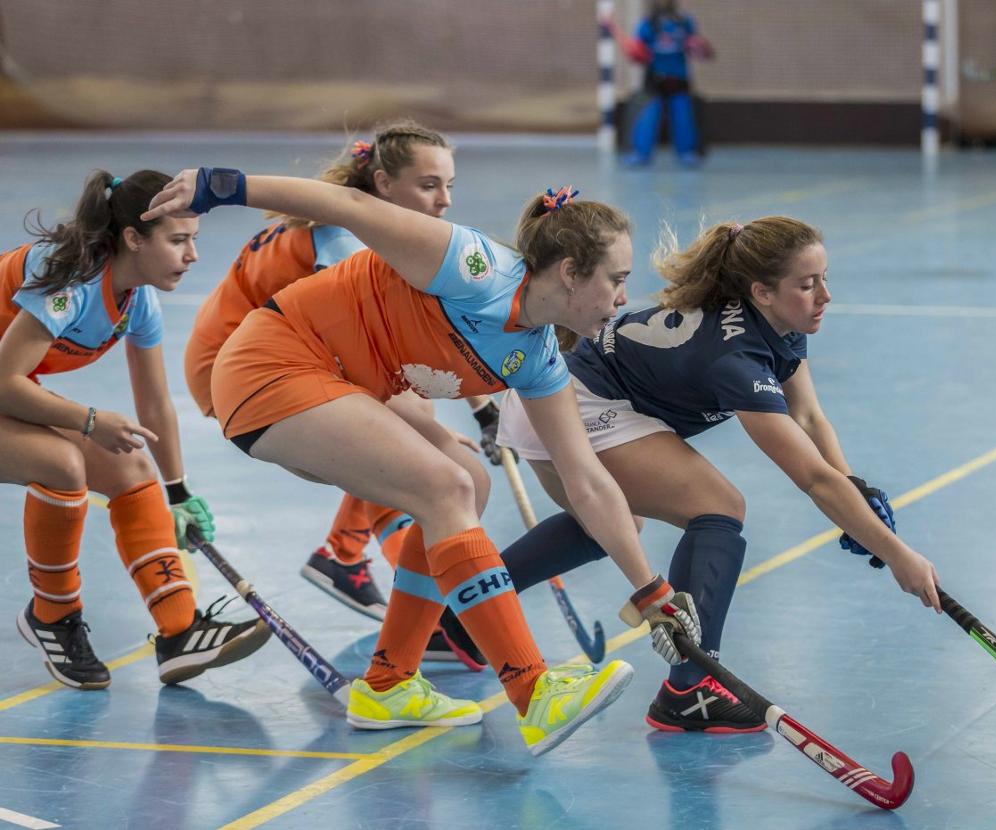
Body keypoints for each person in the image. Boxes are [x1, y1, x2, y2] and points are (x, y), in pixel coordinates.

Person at [144, 169, 702, 756]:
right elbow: (347, 204)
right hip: (272, 362)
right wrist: (218, 186)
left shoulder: (537, 356)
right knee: (445, 486)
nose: (621, 297)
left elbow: (586, 480)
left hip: (339, 384)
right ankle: (534, 691)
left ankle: (389, 682)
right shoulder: (471, 265)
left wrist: (650, 591)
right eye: (616, 279)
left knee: (470, 483)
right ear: (569, 273)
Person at [496, 217, 942, 732]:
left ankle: (459, 622)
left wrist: (855, 490)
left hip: (588, 393)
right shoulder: (736, 359)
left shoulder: (776, 322)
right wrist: (897, 554)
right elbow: (813, 479)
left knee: (618, 523)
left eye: (824, 278)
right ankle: (690, 689)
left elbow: (809, 418)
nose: (826, 295)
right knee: (718, 506)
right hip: (568, 400)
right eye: (808, 283)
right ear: (762, 292)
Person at [183, 121, 497, 667]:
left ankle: (345, 555)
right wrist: (440, 429)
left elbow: (434, 328)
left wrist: (485, 408)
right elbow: (381, 352)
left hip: (278, 353)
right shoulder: (344, 244)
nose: (444, 202)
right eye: (428, 186)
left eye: (450, 186)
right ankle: (412, 596)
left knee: (416, 451)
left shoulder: (380, 231)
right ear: (381, 183)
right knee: (421, 454)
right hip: (236, 366)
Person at [0, 170, 271, 690]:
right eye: (178, 240)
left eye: (193, 240)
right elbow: (7, 384)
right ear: (133, 238)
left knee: (132, 466)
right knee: (63, 463)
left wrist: (177, 492)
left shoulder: (135, 299)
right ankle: (51, 616)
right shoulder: (69, 281)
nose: (192, 255)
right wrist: (90, 421)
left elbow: (154, 403)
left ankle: (180, 631)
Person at [611, 0, 715, 168]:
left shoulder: (685, 22)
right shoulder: (648, 23)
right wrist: (616, 30)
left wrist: (700, 47)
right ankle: (640, 153)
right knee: (649, 117)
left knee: (683, 116)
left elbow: (701, 50)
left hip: (679, 79)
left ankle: (687, 152)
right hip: (654, 79)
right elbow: (637, 52)